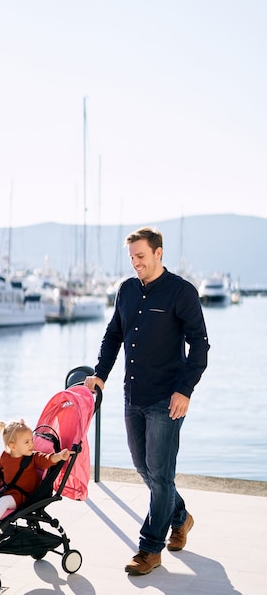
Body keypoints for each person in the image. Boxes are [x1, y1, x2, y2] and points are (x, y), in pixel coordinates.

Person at [84, 227, 210, 575]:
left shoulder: (181, 292)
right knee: (146, 470)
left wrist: (185, 390)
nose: (135, 263)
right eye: (131, 258)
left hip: (167, 400)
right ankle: (181, 516)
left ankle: (149, 549)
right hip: (132, 395)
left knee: (161, 473)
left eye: (140, 256)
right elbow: (114, 335)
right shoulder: (126, 290)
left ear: (158, 253)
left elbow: (200, 345)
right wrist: (100, 374)